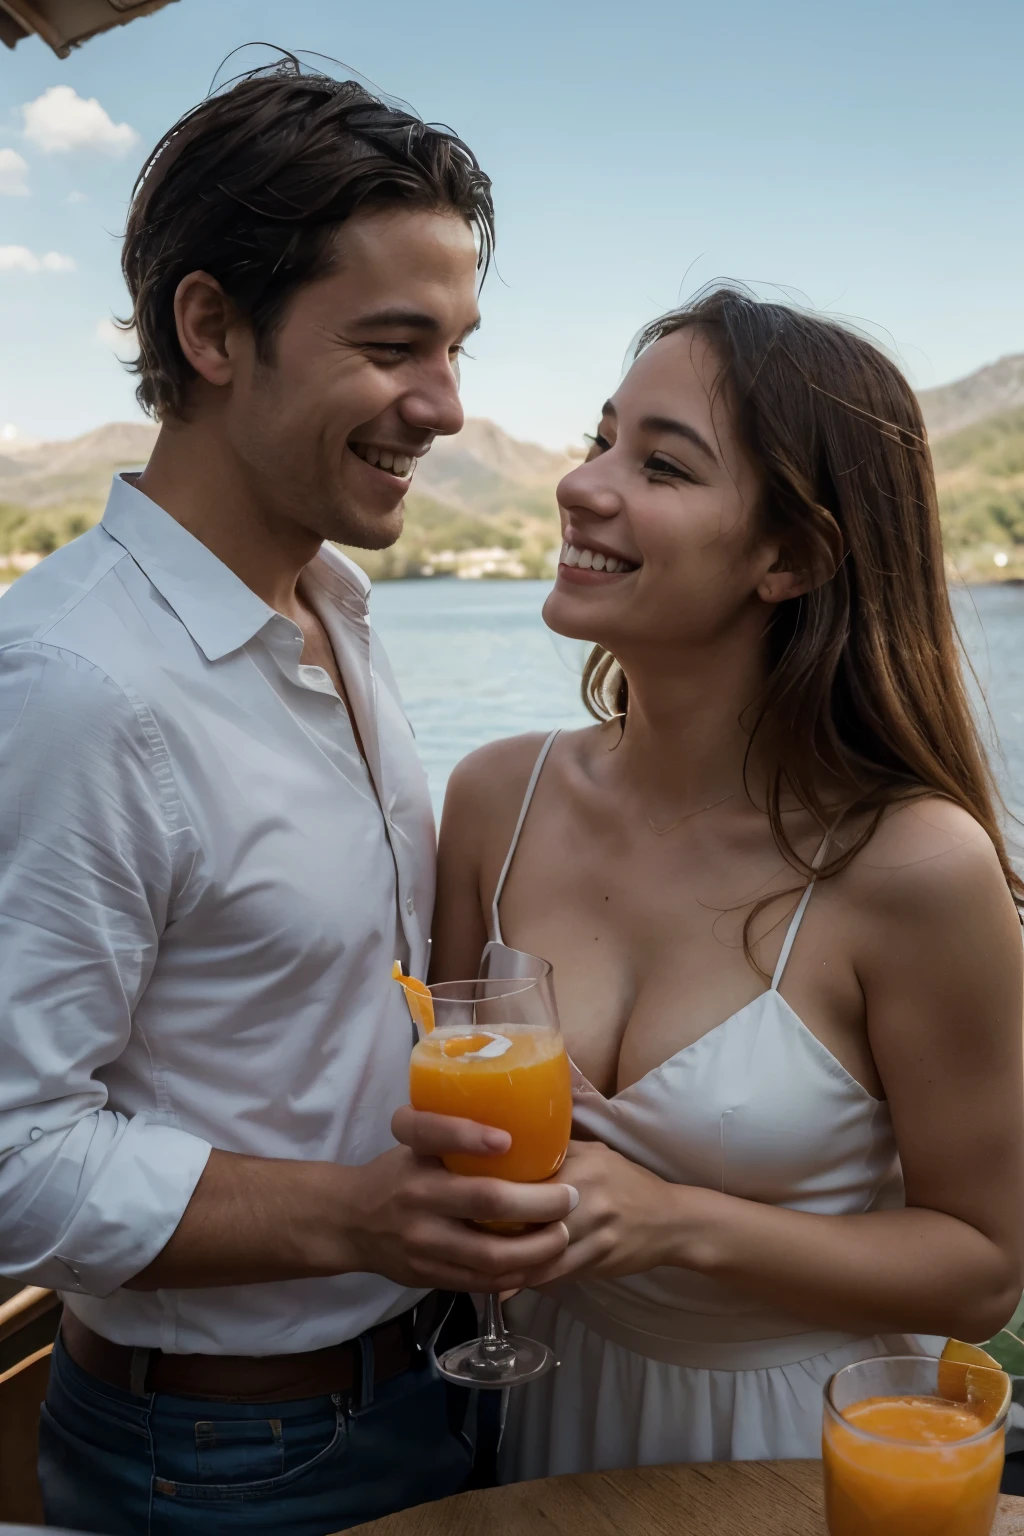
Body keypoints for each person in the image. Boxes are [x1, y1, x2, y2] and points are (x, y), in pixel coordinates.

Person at [0, 60, 575, 1535]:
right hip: (217, 1463)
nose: (446, 407)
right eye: (396, 346)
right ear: (211, 329)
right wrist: (366, 1215)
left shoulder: (332, 604)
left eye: (455, 348)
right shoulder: (80, 688)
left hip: (416, 1388)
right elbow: (10, 1158)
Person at [422, 286, 1024, 1477]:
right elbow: (448, 1131)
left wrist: (672, 1225)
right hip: (538, 1420)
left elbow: (985, 1265)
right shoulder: (495, 799)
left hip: (789, 1452)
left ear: (790, 557)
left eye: (662, 464)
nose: (583, 483)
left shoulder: (911, 864)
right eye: (601, 437)